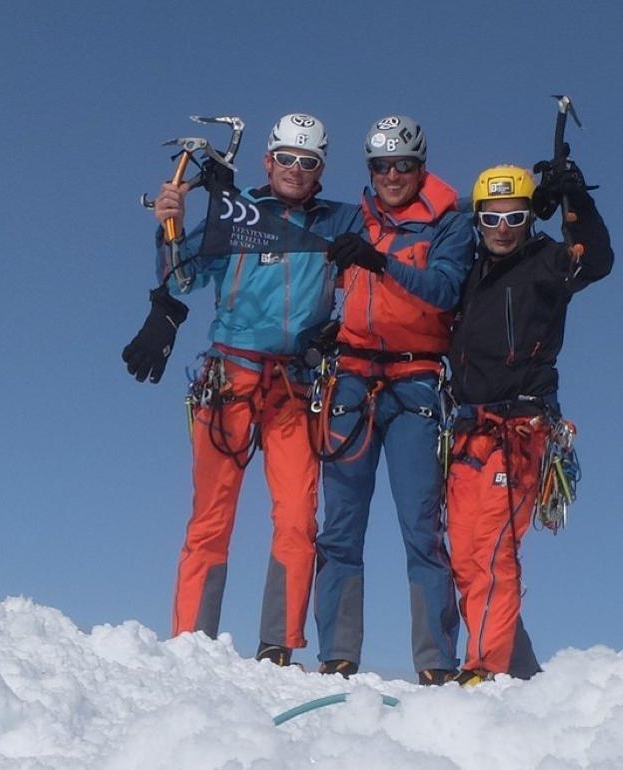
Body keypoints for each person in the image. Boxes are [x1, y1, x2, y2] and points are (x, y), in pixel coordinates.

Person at [121, 113, 361, 667]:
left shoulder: (340, 221)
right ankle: (191, 643)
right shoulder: (237, 214)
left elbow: (403, 228)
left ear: (321, 168)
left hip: (296, 385)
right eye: (286, 158)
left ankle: (278, 645)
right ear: (267, 160)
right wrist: (170, 225)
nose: (295, 170)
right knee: (212, 514)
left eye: (308, 162)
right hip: (230, 378)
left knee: (299, 516)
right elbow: (182, 277)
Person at [312, 115, 473, 684]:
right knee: (340, 525)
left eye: (403, 165)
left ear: (421, 165)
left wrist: (381, 262)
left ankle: (435, 662)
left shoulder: (451, 225)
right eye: (381, 166)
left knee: (421, 526)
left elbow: (445, 290)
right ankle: (336, 654)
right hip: (352, 379)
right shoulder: (357, 218)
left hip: (416, 382)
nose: (392, 176)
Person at [445, 162, 613, 684]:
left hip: (518, 428)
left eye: (514, 216)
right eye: (491, 217)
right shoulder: (468, 272)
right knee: (465, 555)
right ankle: (514, 667)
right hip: (467, 430)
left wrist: (575, 200)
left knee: (495, 549)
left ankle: (486, 666)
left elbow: (598, 259)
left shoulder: (546, 263)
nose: (502, 228)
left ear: (528, 220)